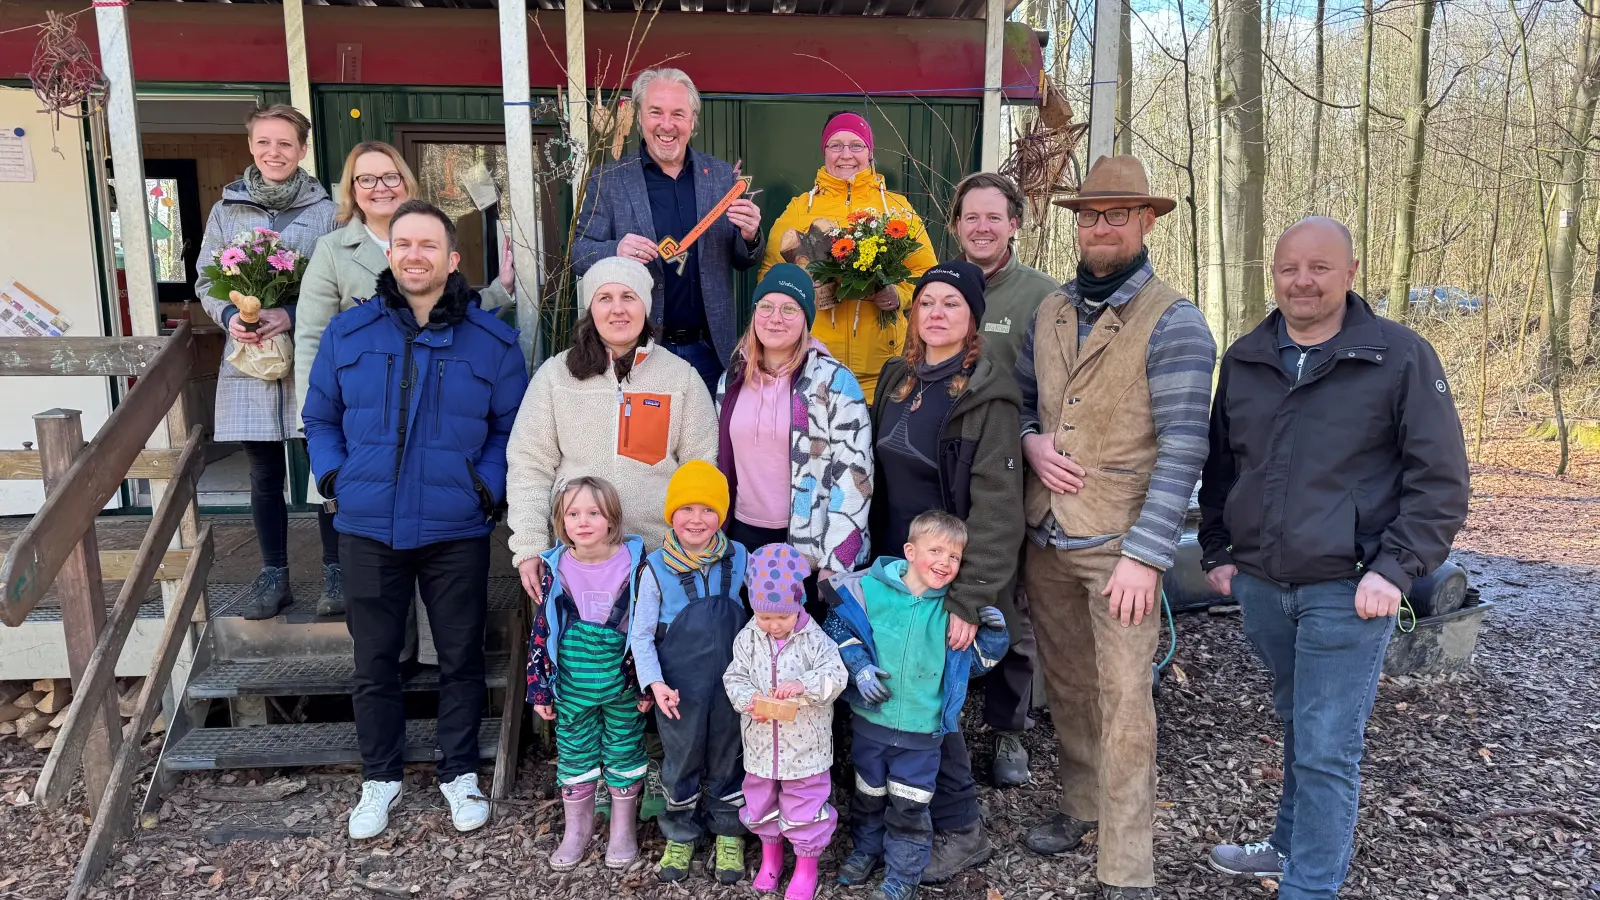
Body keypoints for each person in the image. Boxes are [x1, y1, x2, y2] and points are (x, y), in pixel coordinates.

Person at [1198, 217, 1470, 900]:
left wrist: (1396, 567)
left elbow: (1439, 480)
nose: (1302, 281)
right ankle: (1287, 847)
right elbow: (1222, 462)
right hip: (1263, 585)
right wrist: (1217, 549)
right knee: (1299, 724)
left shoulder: (1399, 357)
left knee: (1326, 745)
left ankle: (1310, 887)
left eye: (1320, 267)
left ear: (1351, 272)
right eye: (1290, 268)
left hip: (1349, 590)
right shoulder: (1247, 357)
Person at [1014, 155, 1217, 900]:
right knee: (1066, 685)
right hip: (1048, 537)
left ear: (1147, 221)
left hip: (1120, 549)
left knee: (1126, 702)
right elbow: (1035, 404)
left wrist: (1147, 554)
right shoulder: (1054, 310)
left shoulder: (1177, 323)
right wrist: (1033, 440)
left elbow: (1185, 447)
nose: (1101, 226)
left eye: (1117, 214)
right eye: (1090, 215)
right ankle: (1081, 803)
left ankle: (1127, 865)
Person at [302, 200, 528, 840]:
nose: (414, 255)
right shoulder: (349, 335)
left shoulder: (492, 341)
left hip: (455, 526)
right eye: (403, 244)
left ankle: (459, 772)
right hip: (368, 524)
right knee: (375, 659)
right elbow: (319, 417)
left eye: (428, 245)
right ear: (389, 253)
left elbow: (511, 429)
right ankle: (381, 776)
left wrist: (484, 488)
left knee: (459, 656)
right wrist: (335, 478)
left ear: (453, 259)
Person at [294, 140, 515, 617]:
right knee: (379, 634)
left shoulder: (432, 236)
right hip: (370, 459)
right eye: (366, 178)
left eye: (389, 176)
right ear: (351, 189)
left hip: (443, 479)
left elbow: (459, 313)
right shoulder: (333, 253)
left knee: (451, 631)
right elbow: (314, 347)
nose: (379, 187)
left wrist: (484, 487)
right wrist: (332, 471)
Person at [868, 260, 1025, 883]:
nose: (936, 313)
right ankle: (890, 819)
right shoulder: (897, 378)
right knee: (889, 697)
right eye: (926, 302)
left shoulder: (988, 396)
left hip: (942, 578)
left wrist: (968, 597)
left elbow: (997, 511)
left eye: (951, 305)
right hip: (894, 571)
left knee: (933, 705)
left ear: (972, 321)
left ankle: (961, 831)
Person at [195, 103, 339, 619]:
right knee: (262, 471)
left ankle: (335, 573)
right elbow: (206, 279)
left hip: (309, 356)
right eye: (264, 143)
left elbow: (336, 283)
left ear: (303, 150)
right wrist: (227, 317)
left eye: (285, 144)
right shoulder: (226, 210)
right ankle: (273, 574)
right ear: (250, 147)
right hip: (249, 358)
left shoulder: (329, 210)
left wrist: (292, 312)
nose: (273, 152)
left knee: (323, 464)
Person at [505, 256, 719, 601]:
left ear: (645, 307)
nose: (618, 309)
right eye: (605, 298)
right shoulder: (555, 376)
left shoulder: (681, 378)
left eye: (628, 297)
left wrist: (693, 545)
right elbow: (529, 466)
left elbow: (701, 469)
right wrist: (530, 546)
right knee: (586, 654)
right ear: (591, 308)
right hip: (578, 560)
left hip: (660, 560)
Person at [822, 511, 1009, 900]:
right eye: (935, 551)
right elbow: (836, 630)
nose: (944, 562)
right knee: (868, 793)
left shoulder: (952, 611)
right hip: (870, 723)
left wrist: (993, 637)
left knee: (910, 806)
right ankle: (866, 849)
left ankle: (903, 874)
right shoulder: (868, 590)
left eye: (954, 557)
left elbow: (971, 666)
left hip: (922, 733)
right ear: (909, 551)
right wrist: (859, 669)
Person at [946, 171, 1059, 788]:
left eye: (995, 217)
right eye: (972, 217)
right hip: (942, 468)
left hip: (1007, 468)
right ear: (957, 225)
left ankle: (1010, 731)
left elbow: (1058, 389)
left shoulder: (1043, 297)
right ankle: (937, 720)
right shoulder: (937, 288)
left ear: (1015, 223)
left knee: (1007, 603)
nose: (982, 228)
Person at [571, 67, 765, 394]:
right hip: (638, 351)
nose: (667, 124)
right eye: (656, 112)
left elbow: (742, 258)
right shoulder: (609, 179)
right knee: (644, 446)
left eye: (678, 114)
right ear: (639, 119)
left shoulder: (719, 176)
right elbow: (578, 255)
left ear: (692, 121)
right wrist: (615, 250)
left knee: (709, 445)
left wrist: (750, 236)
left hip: (710, 352)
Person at [715, 263, 873, 614]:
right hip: (741, 538)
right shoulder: (733, 379)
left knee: (802, 654)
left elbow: (854, 477)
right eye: (766, 307)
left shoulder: (834, 382)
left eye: (789, 308)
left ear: (806, 318)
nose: (775, 318)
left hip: (807, 543)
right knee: (749, 648)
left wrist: (837, 559)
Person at [761, 111, 939, 404]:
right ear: (824, 153)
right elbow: (769, 278)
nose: (846, 155)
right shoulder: (798, 210)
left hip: (883, 372)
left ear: (870, 153)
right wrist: (803, 293)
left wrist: (899, 296)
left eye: (856, 146)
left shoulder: (897, 209)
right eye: (836, 145)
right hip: (814, 368)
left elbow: (928, 277)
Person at [628, 461, 751, 884]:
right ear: (670, 515)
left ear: (722, 514)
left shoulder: (741, 557)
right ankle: (680, 832)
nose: (696, 519)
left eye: (708, 510)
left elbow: (767, 616)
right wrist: (654, 682)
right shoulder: (655, 567)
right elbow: (640, 635)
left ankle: (729, 832)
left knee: (729, 756)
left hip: (733, 687)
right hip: (677, 688)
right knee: (679, 762)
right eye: (686, 509)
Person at [526, 477, 650, 871]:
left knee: (625, 749)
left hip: (622, 681)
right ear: (561, 521)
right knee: (575, 752)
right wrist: (540, 689)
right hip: (572, 683)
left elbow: (648, 627)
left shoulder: (635, 564)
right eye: (573, 513)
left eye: (593, 513)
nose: (583, 521)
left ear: (611, 518)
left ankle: (622, 829)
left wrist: (647, 681)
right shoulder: (555, 566)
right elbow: (542, 630)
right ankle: (576, 831)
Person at [721, 544, 849, 900]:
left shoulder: (815, 639)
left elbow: (835, 676)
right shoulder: (749, 636)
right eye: (765, 617)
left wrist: (803, 686)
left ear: (799, 605)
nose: (773, 625)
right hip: (761, 745)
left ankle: (806, 867)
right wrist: (750, 702)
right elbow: (735, 676)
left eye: (781, 617)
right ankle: (771, 857)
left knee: (804, 806)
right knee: (760, 802)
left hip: (805, 749)